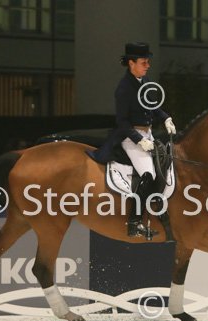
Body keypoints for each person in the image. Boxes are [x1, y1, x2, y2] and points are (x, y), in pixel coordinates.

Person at [88, 42, 177, 237]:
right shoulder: (124, 88)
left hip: (148, 134)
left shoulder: (143, 81)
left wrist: (165, 118)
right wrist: (138, 140)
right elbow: (122, 122)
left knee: (165, 162)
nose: (148, 66)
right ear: (131, 63)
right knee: (148, 174)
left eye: (148, 62)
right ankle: (134, 222)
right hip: (130, 136)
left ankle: (157, 209)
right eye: (144, 62)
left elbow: (152, 105)